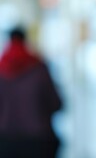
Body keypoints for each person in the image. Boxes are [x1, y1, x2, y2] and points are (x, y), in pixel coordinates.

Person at [0, 27, 62, 158]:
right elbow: (56, 104)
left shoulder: (1, 70)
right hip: (38, 141)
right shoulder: (39, 68)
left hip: (4, 141)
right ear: (26, 40)